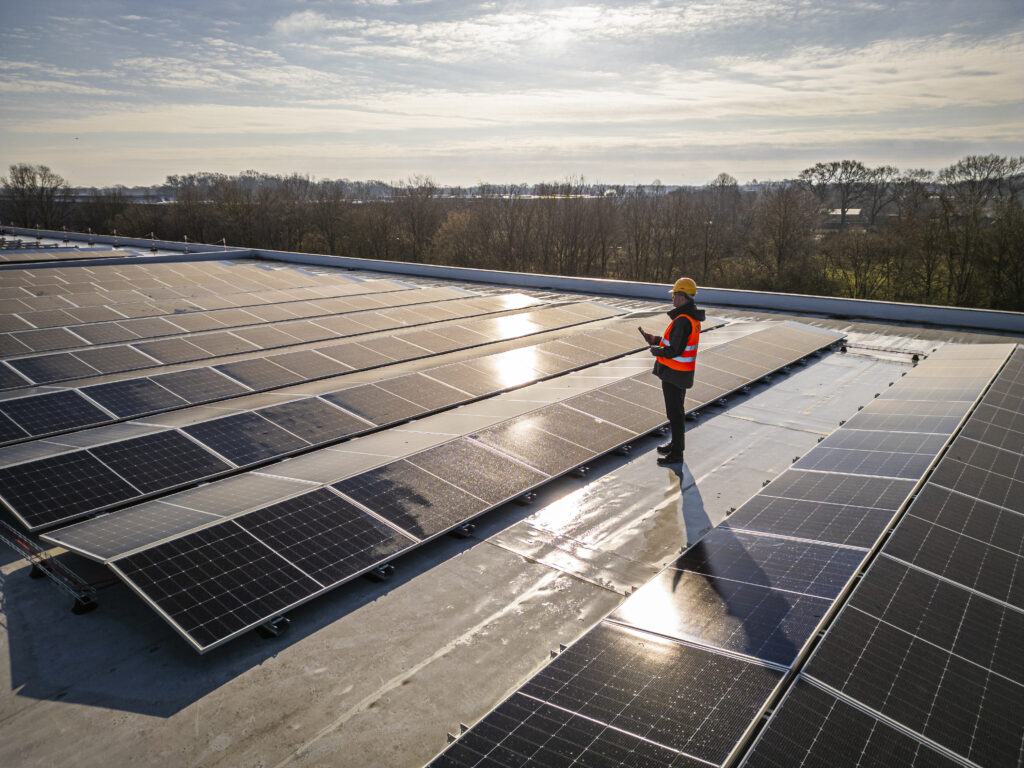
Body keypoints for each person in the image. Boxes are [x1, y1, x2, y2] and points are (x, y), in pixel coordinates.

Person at [638, 277, 704, 465]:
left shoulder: (682, 320)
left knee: (675, 414)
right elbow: (675, 343)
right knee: (677, 412)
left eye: (674, 295)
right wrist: (656, 339)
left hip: (674, 373)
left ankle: (677, 454)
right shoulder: (690, 318)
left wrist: (655, 351)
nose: (672, 299)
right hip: (681, 373)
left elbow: (674, 350)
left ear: (682, 297)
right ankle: (675, 444)